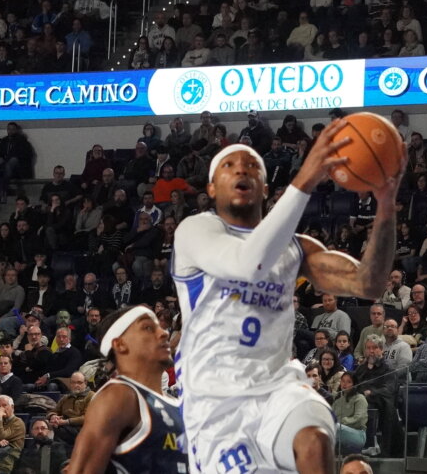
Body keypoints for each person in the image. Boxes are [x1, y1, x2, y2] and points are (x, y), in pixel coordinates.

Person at [171, 121, 400, 474]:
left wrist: (386, 205)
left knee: (313, 437)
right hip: (216, 404)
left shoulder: (296, 250)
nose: (241, 169)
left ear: (264, 188)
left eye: (251, 166)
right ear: (211, 187)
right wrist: (306, 179)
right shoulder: (196, 230)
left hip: (277, 386)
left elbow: (369, 283)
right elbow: (249, 263)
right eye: (229, 165)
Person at [62, 306, 185, 474]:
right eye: (148, 328)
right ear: (120, 345)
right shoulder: (121, 394)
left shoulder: (176, 404)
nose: (163, 333)